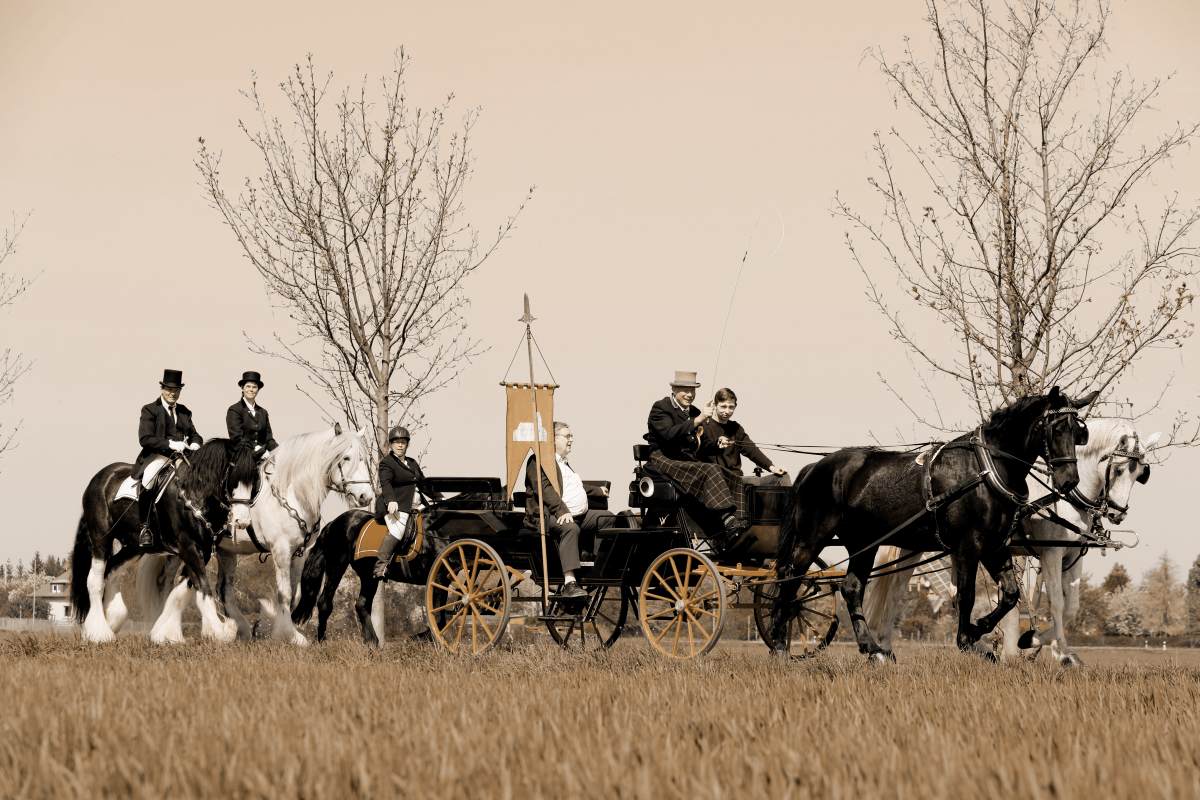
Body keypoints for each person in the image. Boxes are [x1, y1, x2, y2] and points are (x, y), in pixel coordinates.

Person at [644, 370, 748, 542]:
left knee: (731, 476)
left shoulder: (694, 412)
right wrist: (698, 420)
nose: (690, 394)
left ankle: (739, 522)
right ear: (675, 389)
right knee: (711, 469)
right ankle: (725, 517)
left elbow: (704, 445)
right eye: (685, 390)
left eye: (693, 390)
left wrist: (717, 444)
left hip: (685, 461)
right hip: (663, 459)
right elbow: (669, 435)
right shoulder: (661, 408)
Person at [524, 421, 616, 599]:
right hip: (547, 515)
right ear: (553, 439)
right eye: (567, 436)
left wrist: (598, 491)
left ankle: (596, 564)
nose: (571, 440)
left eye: (571, 436)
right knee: (570, 528)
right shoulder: (538, 461)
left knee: (607, 518)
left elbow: (574, 487)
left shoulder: (563, 463)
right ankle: (569, 582)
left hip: (575, 514)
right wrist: (561, 511)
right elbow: (545, 489)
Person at [130, 369, 202, 548]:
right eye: (169, 389)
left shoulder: (185, 412)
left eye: (176, 390)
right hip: (157, 456)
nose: (173, 393)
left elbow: (195, 434)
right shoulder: (150, 410)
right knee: (148, 480)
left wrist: (195, 444)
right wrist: (169, 444)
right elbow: (145, 438)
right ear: (162, 389)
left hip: (182, 456)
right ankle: (145, 528)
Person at [373, 426, 440, 578]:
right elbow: (386, 483)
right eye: (396, 442)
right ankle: (380, 566)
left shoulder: (412, 462)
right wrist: (390, 500)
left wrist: (439, 497)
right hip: (397, 506)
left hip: (418, 506)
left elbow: (423, 484)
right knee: (398, 530)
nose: (400, 445)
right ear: (391, 444)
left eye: (403, 442)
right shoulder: (387, 463)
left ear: (407, 444)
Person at [699, 387, 788, 482]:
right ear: (715, 405)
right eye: (723, 406)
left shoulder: (736, 428)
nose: (727, 411)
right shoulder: (704, 426)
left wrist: (773, 468)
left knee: (783, 478)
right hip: (716, 480)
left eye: (731, 407)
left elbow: (752, 450)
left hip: (737, 479)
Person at [226, 370, 279, 461]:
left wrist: (279, 451)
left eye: (254, 387)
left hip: (263, 456)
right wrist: (257, 449)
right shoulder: (234, 410)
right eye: (248, 386)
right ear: (242, 388)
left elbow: (269, 438)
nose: (251, 389)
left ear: (258, 390)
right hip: (242, 457)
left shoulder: (263, 412)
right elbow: (237, 438)